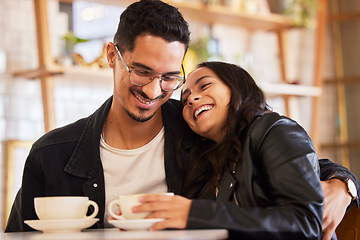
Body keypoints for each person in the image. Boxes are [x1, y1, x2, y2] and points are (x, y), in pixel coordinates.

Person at [4, 0, 358, 238]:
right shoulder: (52, 154)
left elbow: (295, 160)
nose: (156, 90)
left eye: (171, 77)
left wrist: (344, 185)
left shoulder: (196, 128)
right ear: (112, 57)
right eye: (141, 71)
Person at [133, 61, 358, 240]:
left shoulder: (274, 130)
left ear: (236, 87)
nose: (191, 98)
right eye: (184, 99)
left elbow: (304, 224)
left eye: (205, 85)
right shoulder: (205, 160)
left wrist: (195, 213)